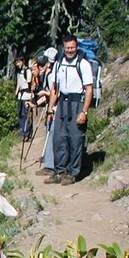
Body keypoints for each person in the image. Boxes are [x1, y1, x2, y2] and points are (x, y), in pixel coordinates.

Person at [45, 35, 93, 185]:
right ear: (63, 48)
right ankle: (59, 171)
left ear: (77, 46)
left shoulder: (83, 64)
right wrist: (50, 109)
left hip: (77, 104)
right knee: (59, 138)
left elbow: (89, 89)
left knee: (75, 138)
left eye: (72, 47)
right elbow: (55, 89)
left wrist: (84, 112)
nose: (70, 50)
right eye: (67, 48)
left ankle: (72, 173)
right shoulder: (59, 64)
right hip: (62, 104)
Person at [14, 56, 33, 139]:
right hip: (20, 96)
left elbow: (30, 82)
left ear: (23, 62)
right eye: (16, 62)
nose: (18, 64)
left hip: (26, 95)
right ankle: (23, 131)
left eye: (19, 62)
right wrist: (16, 93)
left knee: (26, 115)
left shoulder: (27, 71)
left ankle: (27, 133)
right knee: (21, 115)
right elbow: (18, 84)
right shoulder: (19, 72)